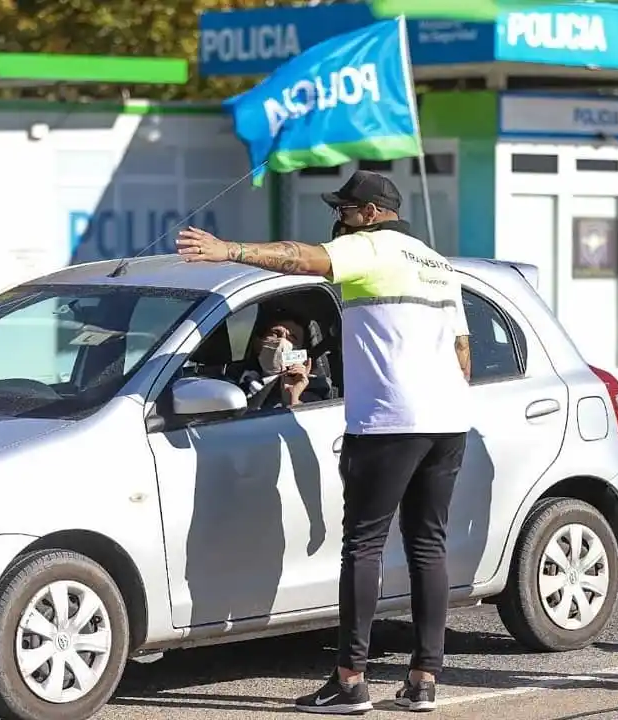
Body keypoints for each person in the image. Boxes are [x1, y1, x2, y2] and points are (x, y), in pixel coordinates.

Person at [176, 170, 472, 714]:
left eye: (346, 209)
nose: (338, 218)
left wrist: (228, 250)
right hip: (448, 420)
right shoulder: (437, 263)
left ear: (373, 213)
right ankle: (424, 679)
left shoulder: (371, 249)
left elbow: (301, 258)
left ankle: (350, 680)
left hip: (389, 422)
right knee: (428, 546)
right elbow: (462, 354)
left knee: (363, 546)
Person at [232, 310, 325, 410]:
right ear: (257, 343)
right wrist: (269, 377)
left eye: (292, 338)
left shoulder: (309, 388)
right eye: (275, 333)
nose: (283, 341)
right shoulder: (234, 377)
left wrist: (292, 398)